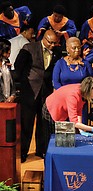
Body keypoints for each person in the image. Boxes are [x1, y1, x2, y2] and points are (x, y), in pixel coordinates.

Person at [14, 30, 62, 163]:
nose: (52, 45)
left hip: (46, 92)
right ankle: (23, 152)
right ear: (44, 38)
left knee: (43, 123)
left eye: (54, 43)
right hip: (29, 91)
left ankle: (41, 150)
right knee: (26, 123)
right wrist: (24, 82)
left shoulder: (57, 53)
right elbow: (18, 67)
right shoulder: (29, 48)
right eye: (50, 42)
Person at [42, 76, 93, 151]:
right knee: (54, 140)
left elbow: (79, 111)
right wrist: (92, 129)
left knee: (65, 142)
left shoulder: (83, 93)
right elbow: (74, 122)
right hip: (52, 109)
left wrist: (81, 130)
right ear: (88, 89)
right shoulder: (73, 95)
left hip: (63, 111)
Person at [0, 38, 16, 102]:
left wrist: (13, 95)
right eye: (7, 52)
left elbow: (11, 80)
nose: (9, 54)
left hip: (8, 100)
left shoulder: (7, 62)